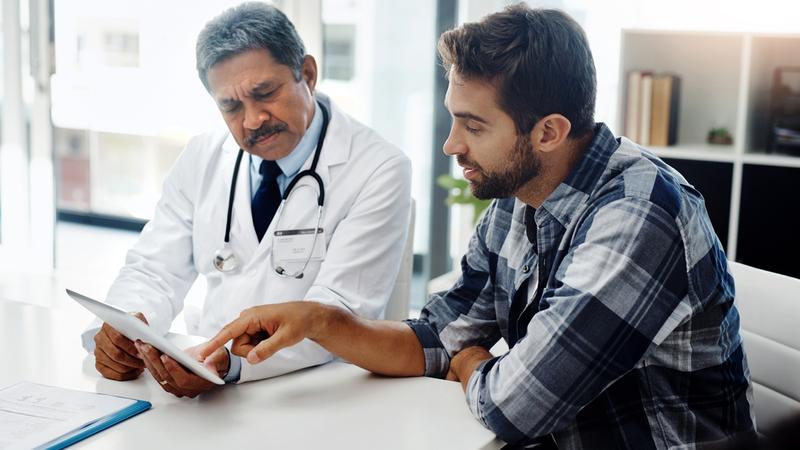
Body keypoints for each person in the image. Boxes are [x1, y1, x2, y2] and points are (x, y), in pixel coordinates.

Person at [199, 4, 755, 448]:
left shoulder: (639, 217)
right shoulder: (519, 197)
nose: (451, 145)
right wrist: (318, 320)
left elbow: (516, 405)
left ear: (548, 132)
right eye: (452, 118)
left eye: (473, 125)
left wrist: (471, 361)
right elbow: (435, 338)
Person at [81, 2, 411, 398]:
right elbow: (153, 271)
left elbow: (337, 315)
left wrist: (235, 365)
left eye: (265, 93)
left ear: (307, 74)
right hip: (204, 383)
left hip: (318, 394)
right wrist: (127, 333)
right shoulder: (202, 156)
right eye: (231, 106)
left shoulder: (378, 167)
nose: (253, 120)